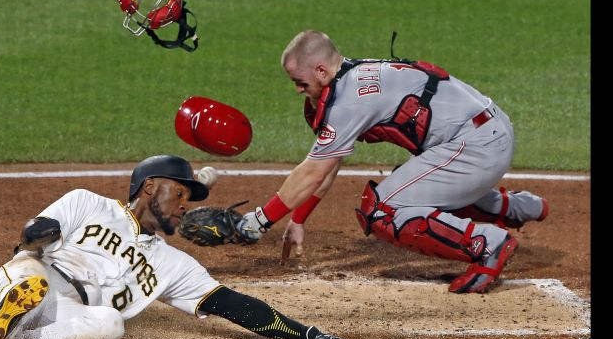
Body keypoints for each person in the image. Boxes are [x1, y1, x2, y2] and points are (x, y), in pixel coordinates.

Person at [0, 154, 370, 339]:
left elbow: (234, 305)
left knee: (110, 326)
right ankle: (1, 326)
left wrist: (308, 333)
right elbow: (32, 236)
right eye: (181, 194)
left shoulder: (173, 264)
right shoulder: (87, 203)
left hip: (73, 314)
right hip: (36, 276)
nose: (184, 206)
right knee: (30, 276)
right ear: (150, 188)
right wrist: (42, 233)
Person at [235, 30, 549, 294]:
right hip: (483, 135)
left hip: (477, 147)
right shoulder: (350, 78)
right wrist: (299, 218)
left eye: (300, 82)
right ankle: (515, 207)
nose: (298, 90)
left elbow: (314, 170)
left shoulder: (348, 99)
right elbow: (328, 165)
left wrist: (260, 220)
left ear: (320, 70)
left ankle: (487, 244)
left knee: (384, 209)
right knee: (411, 188)